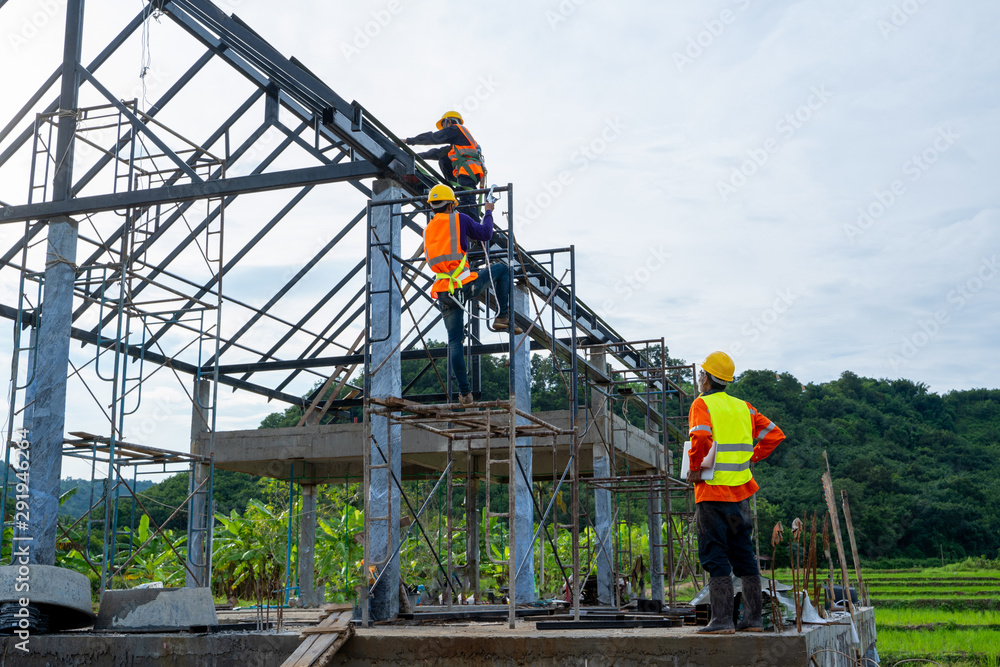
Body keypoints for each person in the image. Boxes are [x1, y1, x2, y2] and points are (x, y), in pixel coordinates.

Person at [687, 351, 785, 634]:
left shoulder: (701, 404)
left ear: (705, 378)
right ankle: (753, 620)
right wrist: (753, 457)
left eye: (701, 374)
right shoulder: (745, 408)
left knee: (714, 550)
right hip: (740, 496)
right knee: (743, 551)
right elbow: (774, 434)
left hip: (713, 494)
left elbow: (703, 437)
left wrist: (695, 467)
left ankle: (722, 621)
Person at [422, 184, 522, 406]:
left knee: (454, 342)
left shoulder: (428, 229)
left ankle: (464, 394)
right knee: (503, 269)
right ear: (451, 204)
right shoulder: (459, 219)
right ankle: (502, 316)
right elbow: (486, 234)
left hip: (444, 291)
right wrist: (488, 211)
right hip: (464, 284)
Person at [405, 111, 486, 221]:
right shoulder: (456, 145)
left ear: (449, 122)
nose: (443, 129)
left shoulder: (457, 129)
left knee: (467, 200)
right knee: (443, 158)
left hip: (468, 170)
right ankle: (454, 190)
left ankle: (474, 226)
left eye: (444, 125)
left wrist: (408, 141)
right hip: (467, 172)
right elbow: (436, 153)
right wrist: (414, 156)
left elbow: (434, 137)